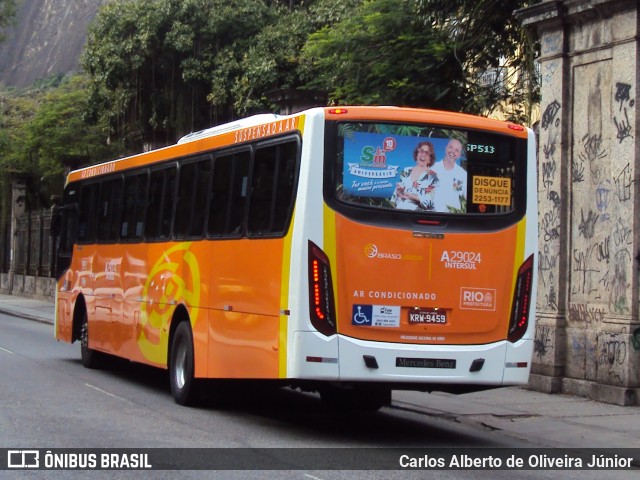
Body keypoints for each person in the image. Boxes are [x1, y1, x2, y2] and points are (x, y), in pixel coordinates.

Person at [391, 141, 438, 211]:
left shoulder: (433, 177)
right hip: (400, 212)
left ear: (430, 159)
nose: (423, 155)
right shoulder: (406, 171)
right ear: (417, 154)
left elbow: (430, 202)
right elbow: (395, 196)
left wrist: (413, 197)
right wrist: (399, 191)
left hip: (419, 215)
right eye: (421, 151)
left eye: (427, 153)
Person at [431, 138, 467, 212]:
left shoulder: (462, 174)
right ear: (446, 148)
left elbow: (467, 197)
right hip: (433, 215)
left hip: (453, 218)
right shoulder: (433, 169)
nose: (453, 151)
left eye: (456, 150)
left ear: (459, 155)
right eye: (451, 147)